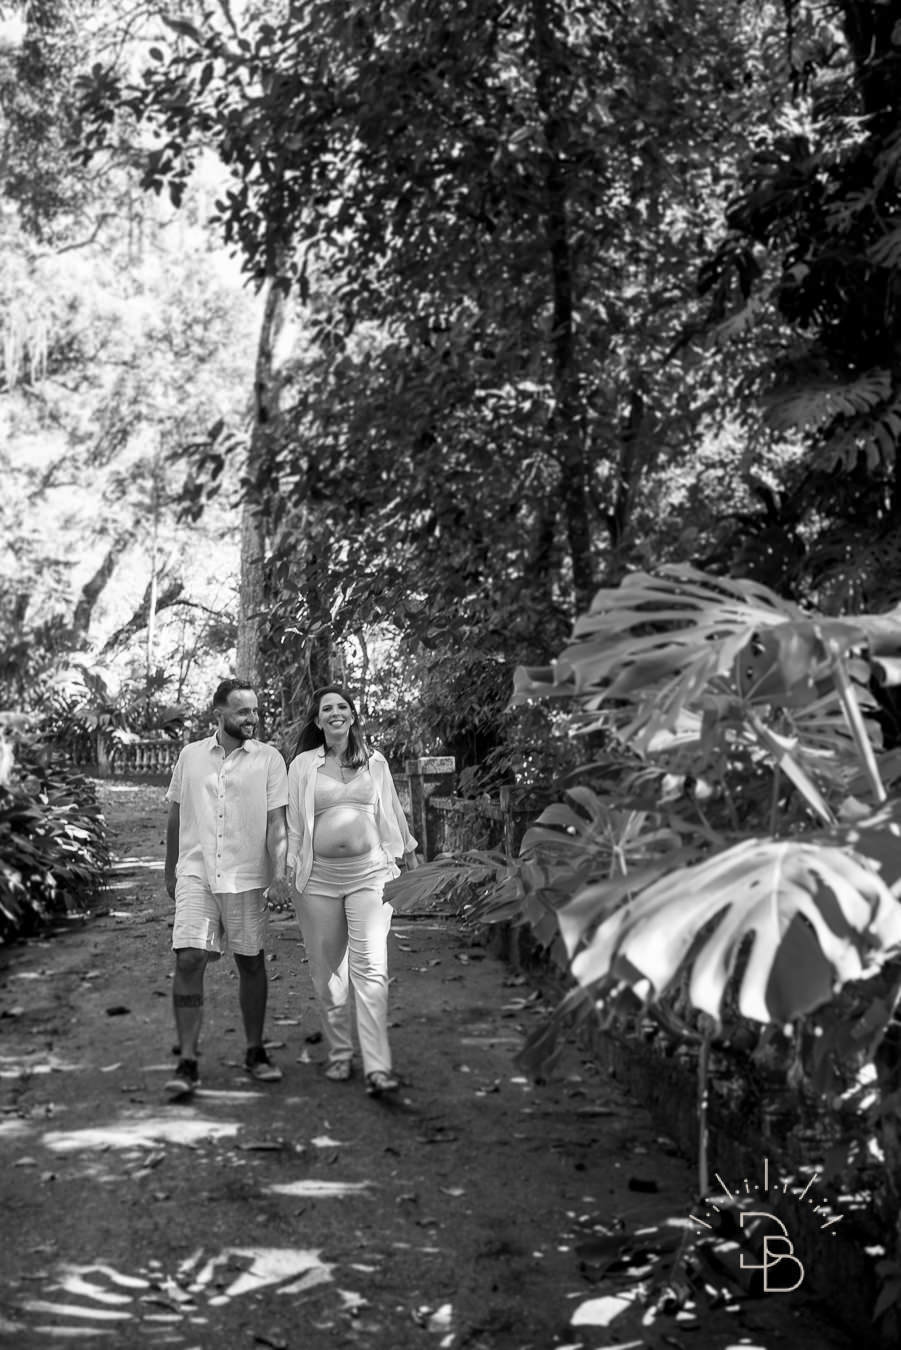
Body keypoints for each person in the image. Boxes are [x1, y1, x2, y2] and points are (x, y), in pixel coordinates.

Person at [163, 678, 293, 1099]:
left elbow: (277, 823)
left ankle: (255, 1050)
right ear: (218, 714)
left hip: (247, 876)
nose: (252, 718)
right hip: (196, 872)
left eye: (255, 710)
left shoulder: (270, 759)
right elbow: (176, 814)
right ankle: (187, 1059)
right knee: (189, 959)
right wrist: (171, 870)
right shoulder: (190, 756)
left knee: (250, 961)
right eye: (243, 711)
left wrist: (279, 875)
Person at [286, 684, 418, 1096]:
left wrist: (410, 852)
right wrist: (287, 871)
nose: (335, 713)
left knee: (372, 969)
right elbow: (294, 823)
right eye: (327, 708)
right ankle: (341, 1053)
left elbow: (392, 810)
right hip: (318, 880)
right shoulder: (303, 765)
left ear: (353, 715)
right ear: (317, 720)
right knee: (328, 974)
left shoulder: (374, 761)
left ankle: (378, 1067)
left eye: (342, 706)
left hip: (370, 876)